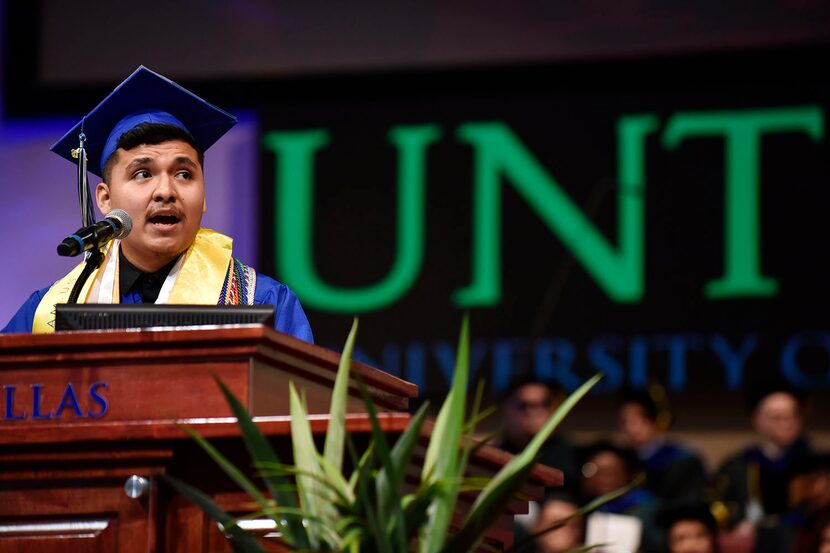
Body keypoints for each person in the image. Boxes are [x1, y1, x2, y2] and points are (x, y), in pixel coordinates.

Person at [1, 66, 312, 342]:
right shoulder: (45, 314)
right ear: (105, 199)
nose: (166, 190)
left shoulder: (262, 301)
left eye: (183, 174)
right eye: (143, 173)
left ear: (204, 197)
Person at [713, 383, 811, 544]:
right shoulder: (738, 465)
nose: (787, 424)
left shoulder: (816, 463)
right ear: (757, 420)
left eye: (793, 416)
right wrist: (737, 521)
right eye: (777, 418)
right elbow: (717, 503)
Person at [618, 387, 708, 510]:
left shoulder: (684, 461)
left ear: (656, 421)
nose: (631, 429)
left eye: (637, 421)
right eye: (625, 422)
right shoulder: (623, 461)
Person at [498, 375, 580, 492]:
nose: (533, 413)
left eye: (543, 405)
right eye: (523, 405)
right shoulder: (494, 454)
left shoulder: (569, 455)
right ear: (506, 408)